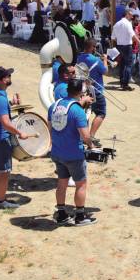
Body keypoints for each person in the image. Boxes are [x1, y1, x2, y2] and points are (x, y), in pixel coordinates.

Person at [48, 79, 97, 226]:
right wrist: (91, 146)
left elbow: (50, 128)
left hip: (57, 152)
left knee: (61, 183)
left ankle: (61, 213)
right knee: (81, 184)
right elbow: (85, 136)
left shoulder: (54, 106)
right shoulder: (77, 111)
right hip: (74, 154)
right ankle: (80, 216)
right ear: (81, 93)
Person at [0, 67, 29, 209]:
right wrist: (20, 133)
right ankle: (1, 201)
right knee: (3, 172)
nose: (10, 78)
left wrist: (12, 103)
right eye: (8, 76)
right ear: (4, 79)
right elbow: (5, 123)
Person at [76, 38, 108, 142]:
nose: (95, 49)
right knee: (101, 113)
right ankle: (91, 136)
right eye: (94, 47)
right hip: (96, 90)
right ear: (92, 47)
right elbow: (105, 71)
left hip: (84, 90)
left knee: (86, 114)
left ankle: (83, 136)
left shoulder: (79, 57)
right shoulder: (95, 60)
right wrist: (105, 60)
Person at [111, 10, 140, 91]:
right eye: (131, 15)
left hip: (119, 46)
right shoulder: (128, 23)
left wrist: (120, 40)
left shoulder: (116, 24)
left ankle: (122, 82)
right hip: (127, 46)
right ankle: (125, 83)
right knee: (128, 65)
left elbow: (113, 38)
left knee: (122, 65)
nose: (132, 17)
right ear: (127, 14)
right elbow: (132, 35)